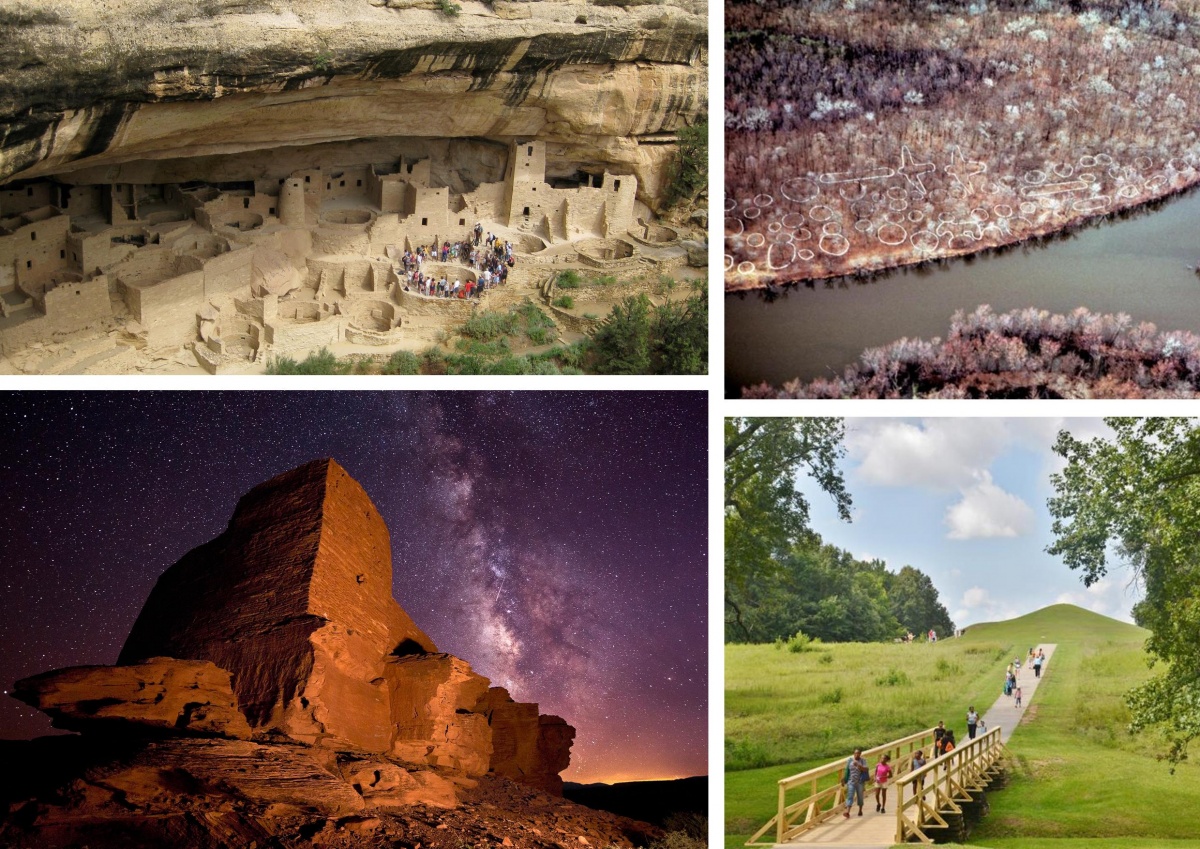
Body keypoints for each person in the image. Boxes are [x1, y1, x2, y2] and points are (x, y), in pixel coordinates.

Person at [842, 748, 869, 818]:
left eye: (858, 753)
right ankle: (847, 812)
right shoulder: (850, 761)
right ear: (853, 753)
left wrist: (858, 765)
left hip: (860, 781)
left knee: (860, 796)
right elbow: (847, 771)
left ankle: (860, 810)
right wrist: (844, 779)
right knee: (850, 796)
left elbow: (866, 769)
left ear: (860, 754)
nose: (857, 754)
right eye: (855, 753)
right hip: (851, 781)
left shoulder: (863, 760)